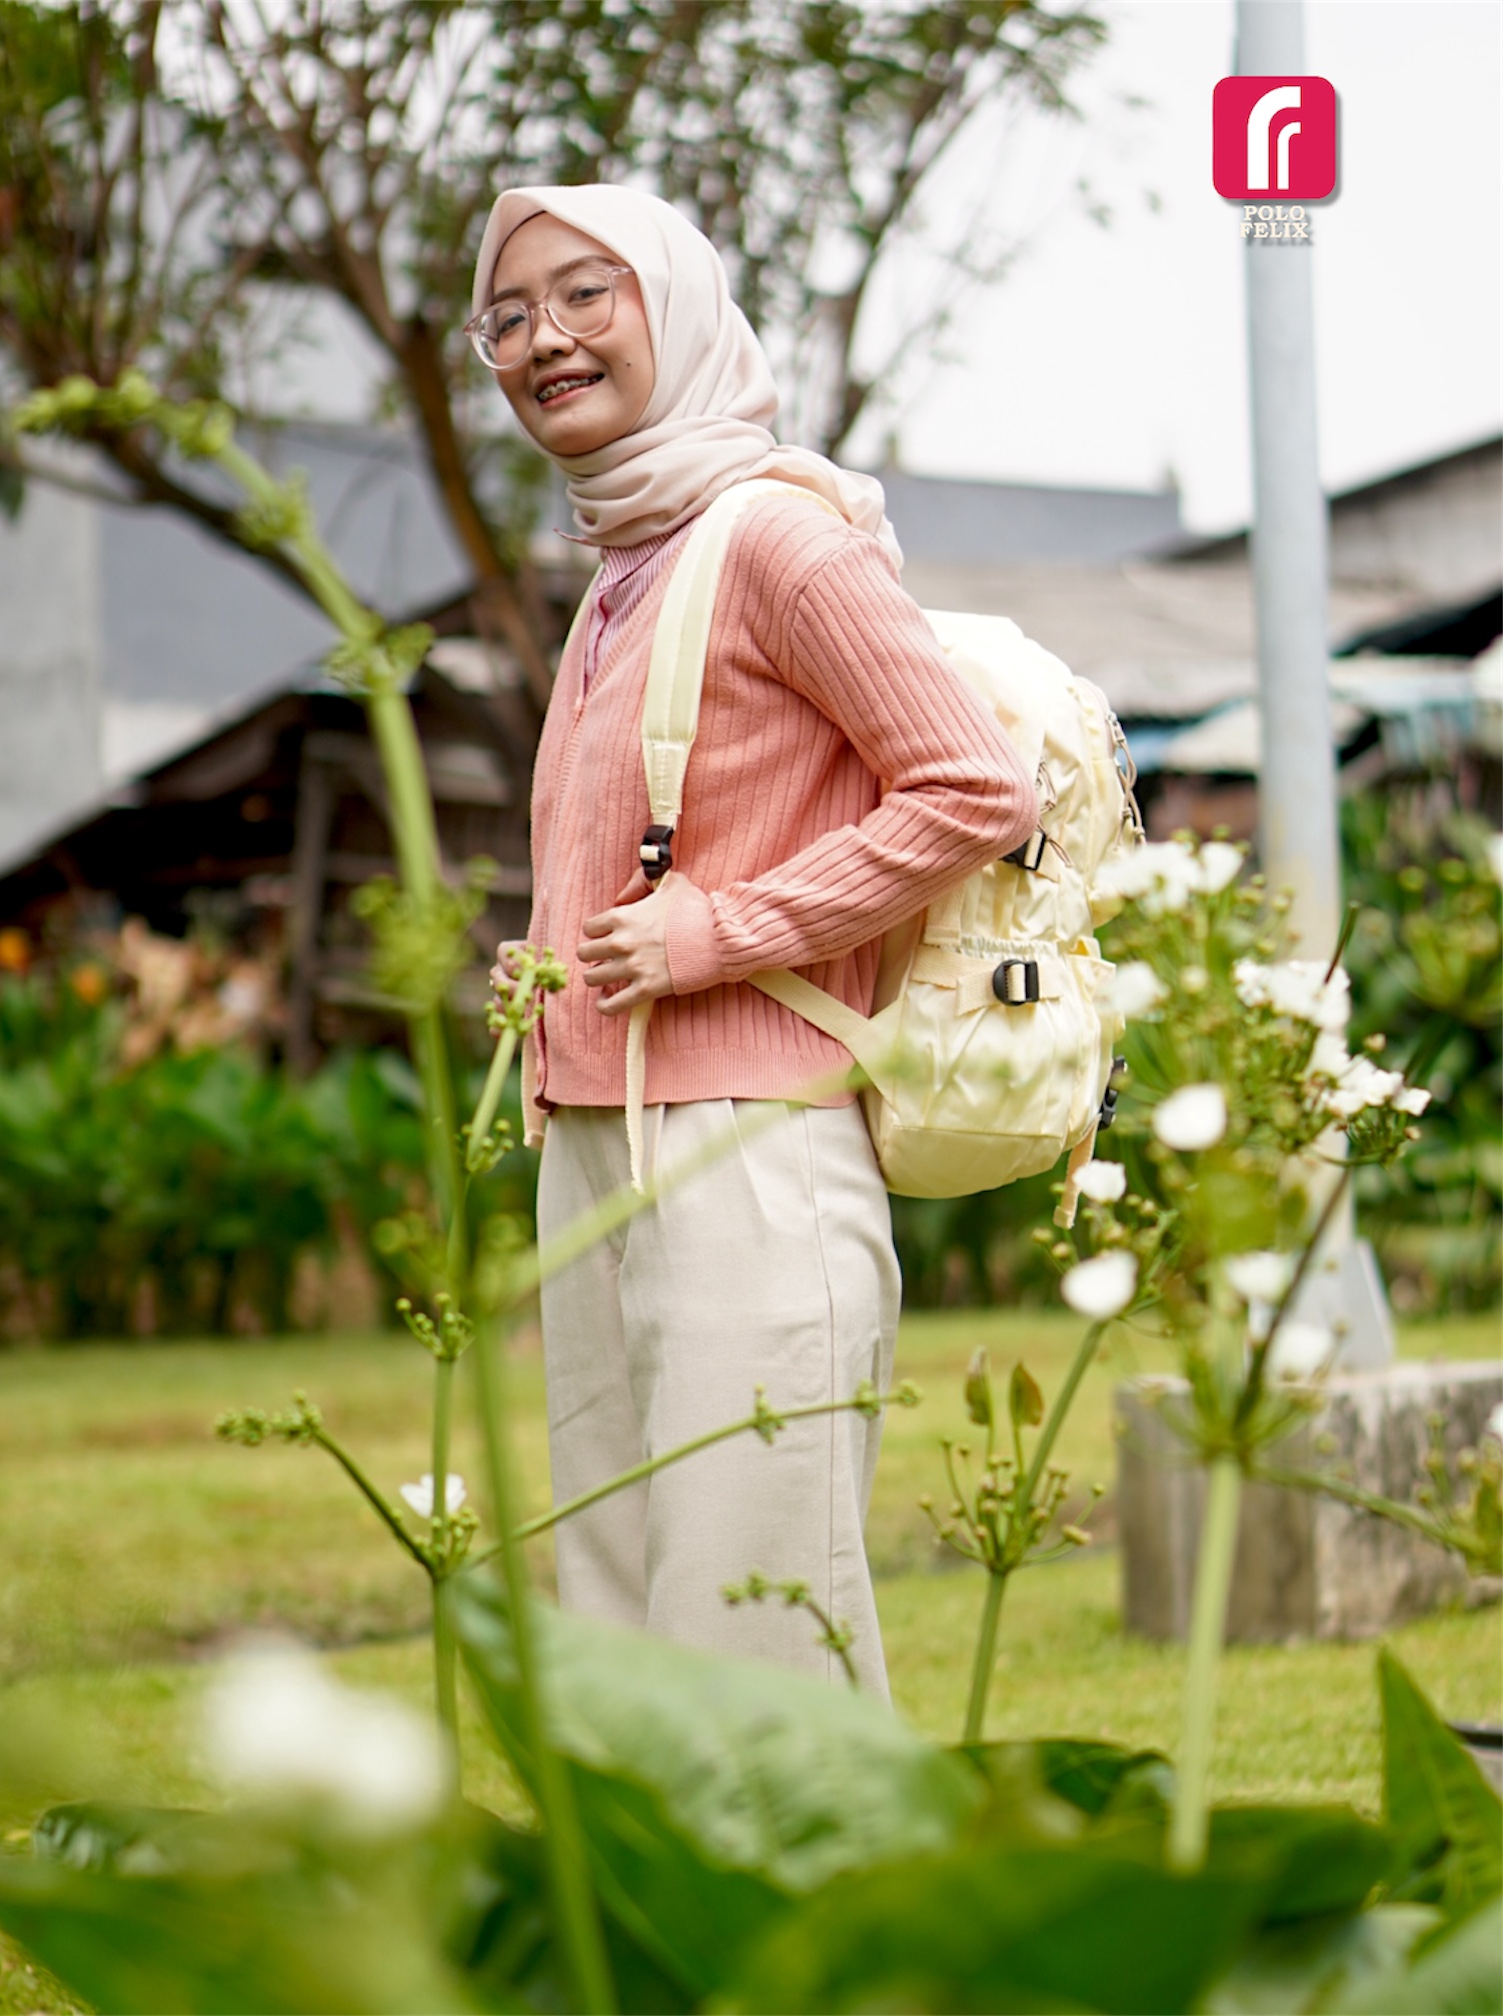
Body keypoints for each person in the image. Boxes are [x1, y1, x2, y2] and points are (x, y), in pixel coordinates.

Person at [469, 184, 1036, 1697]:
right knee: (618, 1619)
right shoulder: (620, 570)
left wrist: (721, 929)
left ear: (678, 306)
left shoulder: (780, 537)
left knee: (754, 1624)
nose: (544, 338)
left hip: (749, 1143)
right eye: (508, 315)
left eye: (586, 294)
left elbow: (977, 788)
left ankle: (828, 1869)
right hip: (597, 1139)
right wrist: (555, 966)